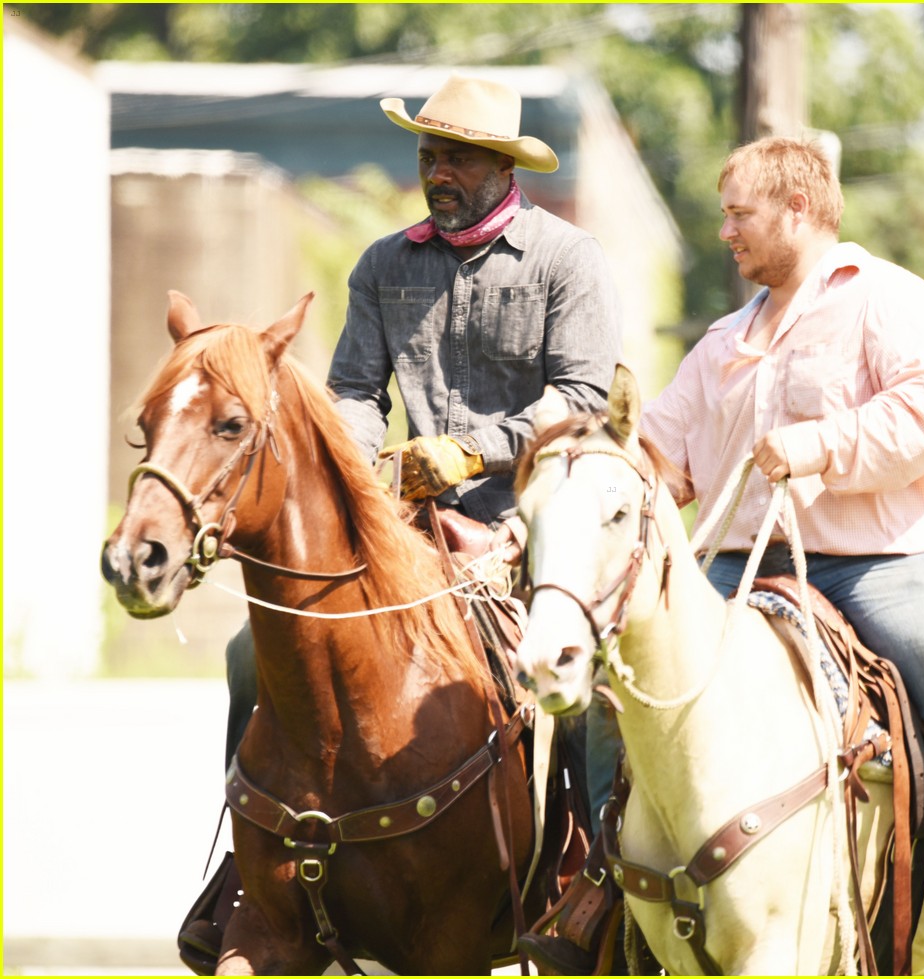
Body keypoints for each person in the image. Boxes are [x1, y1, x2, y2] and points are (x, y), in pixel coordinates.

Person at [177, 73, 622, 976]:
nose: (435, 169)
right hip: (404, 527)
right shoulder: (384, 264)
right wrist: (356, 459)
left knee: (588, 690)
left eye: (454, 155)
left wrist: (470, 452)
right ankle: (248, 871)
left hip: (537, 526)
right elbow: (351, 392)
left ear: (501, 166)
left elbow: (582, 399)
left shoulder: (567, 260)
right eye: (427, 153)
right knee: (246, 657)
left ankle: (599, 876)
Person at [639, 135, 924, 973]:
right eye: (723, 216)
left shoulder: (888, 299)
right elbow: (659, 456)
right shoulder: (720, 342)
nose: (726, 233)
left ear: (797, 209)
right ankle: (604, 886)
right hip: (744, 563)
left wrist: (822, 442)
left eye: (739, 214)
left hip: (886, 557)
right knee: (627, 684)